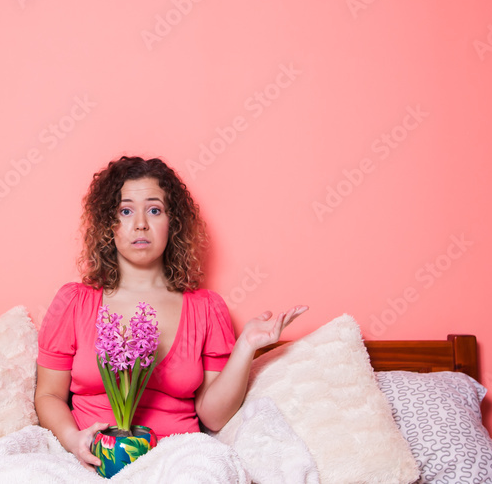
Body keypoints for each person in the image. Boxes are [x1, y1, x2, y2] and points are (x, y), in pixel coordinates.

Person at [35, 156, 307, 470]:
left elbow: (214, 416)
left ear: (172, 223)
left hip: (178, 463)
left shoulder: (206, 309)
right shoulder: (74, 302)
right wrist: (73, 439)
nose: (140, 223)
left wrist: (245, 346)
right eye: (125, 211)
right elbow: (48, 395)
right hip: (89, 462)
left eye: (154, 210)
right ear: (108, 225)